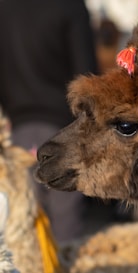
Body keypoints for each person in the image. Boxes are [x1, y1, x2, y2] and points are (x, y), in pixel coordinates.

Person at [0, 0, 99, 242]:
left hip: (17, 129)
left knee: (24, 226)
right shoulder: (70, 6)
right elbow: (87, 75)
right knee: (65, 226)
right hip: (65, 130)